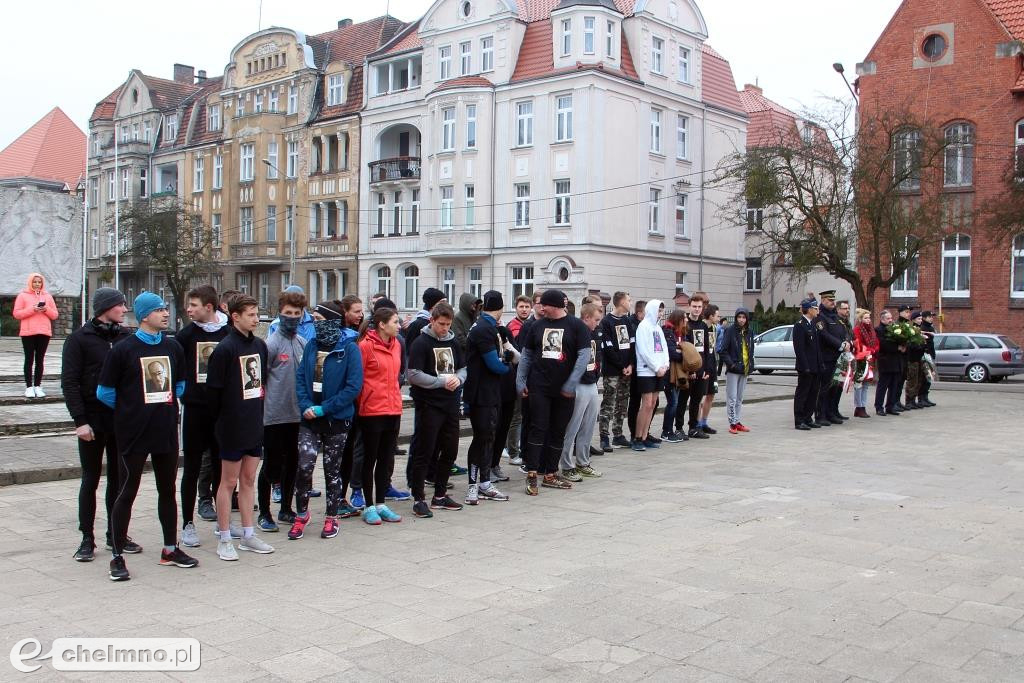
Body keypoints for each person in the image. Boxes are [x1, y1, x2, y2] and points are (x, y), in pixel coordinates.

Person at [97, 292, 196, 581]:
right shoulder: (123, 350)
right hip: (133, 432)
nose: (166, 313)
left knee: (167, 490)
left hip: (164, 429)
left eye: (165, 309)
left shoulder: (173, 347)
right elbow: (105, 392)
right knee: (127, 490)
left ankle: (169, 548)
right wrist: (132, 408)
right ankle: (117, 555)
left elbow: (179, 385)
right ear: (143, 316)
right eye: (159, 310)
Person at [62, 287, 133, 562]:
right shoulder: (79, 339)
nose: (124, 309)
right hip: (91, 420)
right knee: (90, 479)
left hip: (120, 420)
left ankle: (116, 535)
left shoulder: (126, 337)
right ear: (106, 307)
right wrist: (80, 421)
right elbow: (70, 382)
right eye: (120, 305)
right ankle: (86, 537)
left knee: (120, 479)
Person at [206, 294, 274, 560]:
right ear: (235, 317)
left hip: (253, 422)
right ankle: (224, 536)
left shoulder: (259, 345)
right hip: (231, 425)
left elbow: (261, 383)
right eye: (251, 315)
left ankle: (248, 534)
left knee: (248, 480)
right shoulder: (224, 349)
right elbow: (214, 393)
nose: (256, 319)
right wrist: (221, 424)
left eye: (257, 314)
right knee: (228, 482)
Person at [289, 300, 363, 539]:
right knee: (304, 465)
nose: (314, 324)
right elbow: (300, 378)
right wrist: (306, 406)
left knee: (332, 470)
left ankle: (332, 516)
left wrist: (325, 408)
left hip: (336, 419)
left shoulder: (349, 348)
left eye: (318, 320)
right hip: (309, 418)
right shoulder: (311, 345)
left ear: (332, 320)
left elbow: (353, 387)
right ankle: (301, 515)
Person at [517, 289, 592, 495]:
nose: (541, 308)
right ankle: (532, 473)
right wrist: (520, 380)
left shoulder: (576, 326)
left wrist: (571, 383)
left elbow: (583, 357)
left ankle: (551, 473)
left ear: (555, 306)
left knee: (558, 430)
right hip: (539, 386)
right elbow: (526, 355)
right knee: (537, 427)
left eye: (544, 305)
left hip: (564, 391)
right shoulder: (536, 326)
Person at [174, 285, 231, 546]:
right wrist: (184, 391)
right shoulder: (185, 336)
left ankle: (223, 524)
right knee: (193, 467)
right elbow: (176, 367)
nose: (189, 309)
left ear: (209, 307)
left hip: (221, 411)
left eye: (194, 305)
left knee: (222, 467)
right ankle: (187, 524)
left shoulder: (228, 332)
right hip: (195, 409)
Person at [257, 289, 310, 534]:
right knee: (271, 466)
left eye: (296, 313)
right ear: (280, 313)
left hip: (296, 415)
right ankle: (265, 512)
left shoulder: (302, 343)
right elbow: (261, 379)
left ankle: (286, 508)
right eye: (288, 313)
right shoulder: (271, 343)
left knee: (293, 464)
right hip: (274, 416)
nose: (292, 317)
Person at [407, 302, 468, 515]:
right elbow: (413, 374)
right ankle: (418, 498)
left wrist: (459, 379)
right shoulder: (421, 343)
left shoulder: (453, 342)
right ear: (432, 321)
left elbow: (462, 368)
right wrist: (440, 382)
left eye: (448, 324)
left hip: (450, 404)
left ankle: (440, 495)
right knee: (425, 451)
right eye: (441, 324)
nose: (444, 328)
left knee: (450, 450)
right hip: (429, 404)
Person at [463, 291, 516, 504]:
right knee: (481, 438)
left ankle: (484, 482)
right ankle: (472, 485)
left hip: (490, 392)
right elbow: (494, 364)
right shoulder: (484, 328)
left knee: (488, 438)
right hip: (481, 393)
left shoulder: (488, 326)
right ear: (501, 308)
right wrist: (508, 363)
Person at [356, 307, 404, 524]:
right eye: (395, 322)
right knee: (370, 458)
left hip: (393, 408)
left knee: (386, 458)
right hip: (372, 410)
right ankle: (368, 505)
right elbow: (358, 379)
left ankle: (381, 502)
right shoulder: (365, 346)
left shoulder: (397, 345)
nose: (399, 325)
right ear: (382, 324)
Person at [559, 302, 606, 478]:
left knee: (588, 425)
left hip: (592, 383)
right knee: (572, 426)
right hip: (578, 384)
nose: (597, 323)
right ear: (586, 318)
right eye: (595, 320)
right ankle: (566, 464)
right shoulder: (575, 332)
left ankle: (583, 462)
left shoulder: (594, 333)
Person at [598, 291, 635, 451]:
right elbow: (608, 348)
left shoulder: (627, 320)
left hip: (627, 370)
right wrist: (621, 366)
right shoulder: (606, 322)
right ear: (620, 302)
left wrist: (630, 365)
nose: (630, 302)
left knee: (622, 403)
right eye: (628, 300)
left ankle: (618, 435)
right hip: (612, 371)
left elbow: (632, 343)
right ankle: (604, 437)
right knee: (609, 403)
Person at [14, 273, 59, 398]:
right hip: (28, 332)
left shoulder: (47, 296)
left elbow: (54, 315)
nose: (37, 284)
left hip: (44, 332)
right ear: (30, 283)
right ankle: (29, 387)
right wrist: (32, 309)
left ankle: (38, 386)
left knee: (40, 359)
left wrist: (46, 310)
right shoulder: (23, 296)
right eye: (35, 282)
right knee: (29, 359)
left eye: (39, 282)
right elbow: (17, 314)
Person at [633, 300, 669, 451]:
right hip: (646, 370)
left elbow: (664, 348)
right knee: (646, 404)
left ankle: (645, 435)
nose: (660, 314)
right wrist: (656, 367)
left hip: (660, 370)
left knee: (653, 403)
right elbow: (644, 350)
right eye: (658, 311)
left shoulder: (658, 328)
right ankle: (637, 437)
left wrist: (665, 364)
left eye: (662, 311)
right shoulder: (643, 327)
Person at [502, 295, 533, 464]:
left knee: (520, 415)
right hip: (515, 374)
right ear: (516, 308)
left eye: (527, 307)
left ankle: (514, 446)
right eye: (521, 306)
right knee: (516, 415)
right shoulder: (513, 326)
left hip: (525, 374)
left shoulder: (528, 324)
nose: (524, 309)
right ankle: (511, 450)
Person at [813, 290, 850, 426]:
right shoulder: (820, 317)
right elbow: (824, 335)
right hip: (826, 357)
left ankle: (830, 413)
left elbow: (844, 332)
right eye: (830, 300)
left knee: (834, 387)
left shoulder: (835, 317)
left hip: (837, 358)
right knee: (824, 388)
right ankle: (820, 414)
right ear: (822, 301)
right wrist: (840, 344)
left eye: (833, 300)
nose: (833, 303)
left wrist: (847, 342)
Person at [680, 293, 713, 440]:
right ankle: (678, 427)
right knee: (682, 400)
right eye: (694, 306)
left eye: (699, 307)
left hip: (701, 369)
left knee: (696, 400)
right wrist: (688, 370)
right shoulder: (685, 324)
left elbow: (706, 349)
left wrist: (705, 369)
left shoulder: (703, 326)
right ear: (689, 306)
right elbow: (682, 348)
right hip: (687, 369)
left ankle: (693, 427)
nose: (697, 309)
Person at [720, 307, 754, 434]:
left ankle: (737, 420)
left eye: (743, 317)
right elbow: (723, 350)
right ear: (736, 318)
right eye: (739, 317)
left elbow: (751, 349)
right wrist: (731, 364)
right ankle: (732, 422)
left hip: (744, 369)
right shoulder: (730, 331)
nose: (741, 320)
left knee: (740, 398)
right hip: (734, 370)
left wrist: (751, 364)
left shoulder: (749, 332)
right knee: (732, 398)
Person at [792, 298, 823, 431]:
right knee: (803, 393)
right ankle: (799, 420)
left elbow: (816, 347)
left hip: (815, 366)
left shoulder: (813, 324)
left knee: (813, 393)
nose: (817, 311)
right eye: (815, 308)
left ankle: (808, 417)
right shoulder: (800, 325)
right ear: (809, 309)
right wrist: (805, 367)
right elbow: (799, 349)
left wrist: (820, 363)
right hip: (806, 367)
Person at [659, 308, 688, 443]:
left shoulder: (680, 333)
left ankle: (669, 430)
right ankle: (666, 431)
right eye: (684, 318)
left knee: (674, 402)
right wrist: (685, 355)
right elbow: (672, 353)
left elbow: (684, 348)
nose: (686, 320)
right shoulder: (668, 332)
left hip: (677, 373)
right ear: (678, 320)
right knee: (673, 402)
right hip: (669, 374)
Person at [696, 304, 721, 434]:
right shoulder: (701, 327)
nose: (719, 318)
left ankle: (704, 421)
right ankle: (697, 423)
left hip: (712, 365)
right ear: (711, 316)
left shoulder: (715, 328)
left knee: (711, 394)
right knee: (700, 396)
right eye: (717, 315)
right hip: (703, 366)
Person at [874, 309, 903, 416]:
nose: (891, 320)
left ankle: (890, 406)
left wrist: (903, 345)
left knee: (894, 385)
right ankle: (879, 407)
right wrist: (898, 347)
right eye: (888, 318)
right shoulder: (879, 330)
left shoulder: (895, 329)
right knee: (883, 386)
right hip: (885, 361)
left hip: (896, 361)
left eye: (891, 318)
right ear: (882, 319)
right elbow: (883, 345)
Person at [851, 308, 879, 418]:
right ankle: (859, 407)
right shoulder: (857, 330)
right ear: (861, 319)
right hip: (861, 360)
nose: (868, 320)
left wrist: (874, 350)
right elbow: (859, 344)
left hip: (870, 359)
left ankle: (863, 406)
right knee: (859, 384)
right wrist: (869, 350)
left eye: (869, 318)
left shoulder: (872, 330)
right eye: (866, 318)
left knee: (866, 385)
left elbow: (876, 342)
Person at [830, 300, 854, 420]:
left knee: (840, 384)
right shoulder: (835, 321)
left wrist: (851, 344)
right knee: (834, 385)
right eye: (844, 308)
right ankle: (830, 411)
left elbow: (850, 336)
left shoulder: (847, 323)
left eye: (848, 308)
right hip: (837, 357)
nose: (847, 311)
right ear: (838, 309)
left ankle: (835, 409)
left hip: (845, 357)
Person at [903, 311, 927, 410]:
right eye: (918, 319)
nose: (920, 321)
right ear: (913, 320)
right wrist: (921, 345)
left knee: (918, 380)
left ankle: (913, 399)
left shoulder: (919, 329)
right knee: (912, 380)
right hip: (912, 359)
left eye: (921, 319)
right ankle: (909, 400)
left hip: (919, 359)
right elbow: (911, 345)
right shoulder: (911, 330)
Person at [918, 311, 937, 407]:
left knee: (929, 378)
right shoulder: (923, 328)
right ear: (924, 318)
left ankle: (925, 397)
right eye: (929, 317)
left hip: (930, 354)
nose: (931, 318)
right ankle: (921, 398)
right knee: (925, 377)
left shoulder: (930, 327)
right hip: (925, 355)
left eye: (932, 316)